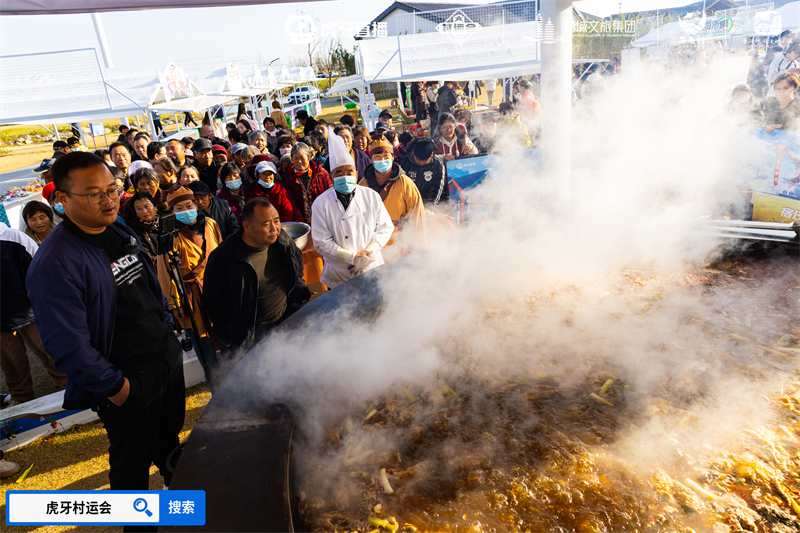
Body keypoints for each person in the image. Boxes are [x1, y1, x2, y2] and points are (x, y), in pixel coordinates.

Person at [26, 153, 185, 519]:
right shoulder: (54, 263)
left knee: (169, 445)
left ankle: (182, 513)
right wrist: (115, 387)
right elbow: (66, 344)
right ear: (62, 201)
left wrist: (167, 331)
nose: (109, 199)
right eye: (94, 193)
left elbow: (146, 283)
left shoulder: (118, 228)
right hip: (126, 378)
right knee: (131, 468)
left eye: (113, 189)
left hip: (163, 358)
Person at [203, 197, 311, 353]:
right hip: (249, 336)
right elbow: (213, 302)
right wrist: (229, 338)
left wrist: (299, 303)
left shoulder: (282, 240)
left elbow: (297, 267)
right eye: (266, 224)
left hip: (287, 321)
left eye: (277, 221)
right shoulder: (223, 257)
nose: (274, 229)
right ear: (247, 227)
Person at [310, 128, 394, 289]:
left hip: (372, 265)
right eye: (339, 173)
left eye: (349, 172)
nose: (345, 177)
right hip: (339, 273)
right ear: (331, 177)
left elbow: (385, 227)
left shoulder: (371, 196)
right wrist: (352, 258)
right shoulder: (321, 204)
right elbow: (321, 242)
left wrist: (367, 254)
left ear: (356, 174)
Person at [157, 185, 223, 376]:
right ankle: (214, 385)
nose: (186, 211)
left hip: (217, 289)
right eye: (179, 208)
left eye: (189, 205)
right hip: (191, 297)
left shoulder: (211, 224)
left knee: (225, 336)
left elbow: (220, 252)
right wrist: (175, 303)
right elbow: (166, 273)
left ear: (196, 203)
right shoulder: (170, 237)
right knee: (204, 346)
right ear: (172, 211)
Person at [1, 221, 67, 408]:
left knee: (50, 350)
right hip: (0, 323)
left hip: (29, 309)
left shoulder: (13, 237)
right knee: (11, 363)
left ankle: (68, 384)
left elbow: (39, 267)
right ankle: (21, 398)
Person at [359, 134, 426, 254]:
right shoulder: (363, 185)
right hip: (372, 244)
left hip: (400, 243)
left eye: (386, 156)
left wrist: (417, 247)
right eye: (378, 157)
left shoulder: (405, 182)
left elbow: (417, 215)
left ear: (393, 157)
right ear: (371, 160)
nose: (383, 160)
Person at [282, 142, 332, 224]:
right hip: (302, 221)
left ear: (309, 157)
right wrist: (300, 222)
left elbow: (331, 193)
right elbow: (291, 202)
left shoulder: (320, 173)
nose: (299, 161)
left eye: (302, 157)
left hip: (324, 218)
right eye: (296, 158)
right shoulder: (287, 177)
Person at [400, 137, 449, 208]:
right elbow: (402, 185)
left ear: (431, 155)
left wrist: (430, 206)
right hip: (409, 202)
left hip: (428, 201)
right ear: (413, 152)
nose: (421, 163)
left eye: (425, 160)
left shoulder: (437, 163)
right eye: (418, 160)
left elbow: (437, 187)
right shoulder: (405, 162)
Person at [126, 192, 160, 267]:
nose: (144, 211)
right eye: (139, 208)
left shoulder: (165, 221)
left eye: (147, 206)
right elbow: (148, 259)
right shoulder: (136, 232)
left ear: (155, 207)